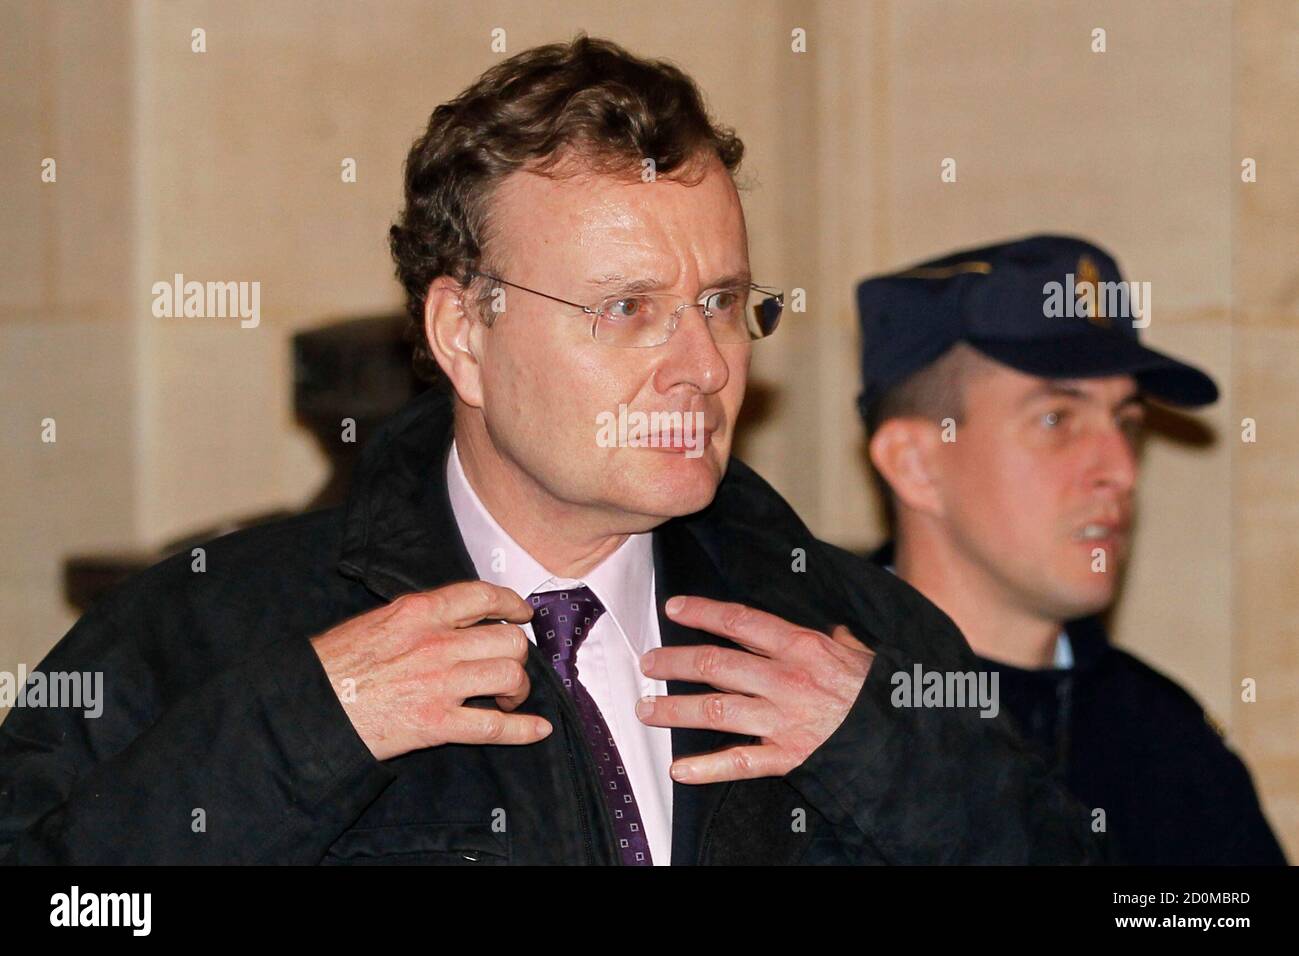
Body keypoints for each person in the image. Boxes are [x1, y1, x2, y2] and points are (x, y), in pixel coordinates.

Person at [0, 39, 1099, 865]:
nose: (705, 365)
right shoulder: (210, 631)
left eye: (720, 302)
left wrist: (890, 755)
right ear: (462, 334)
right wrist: (296, 734)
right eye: (627, 307)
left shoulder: (855, 635)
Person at [855, 234, 1287, 865]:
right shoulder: (812, 709)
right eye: (1057, 420)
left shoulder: (1167, 742)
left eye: (1127, 423)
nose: (1121, 469)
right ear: (914, 464)